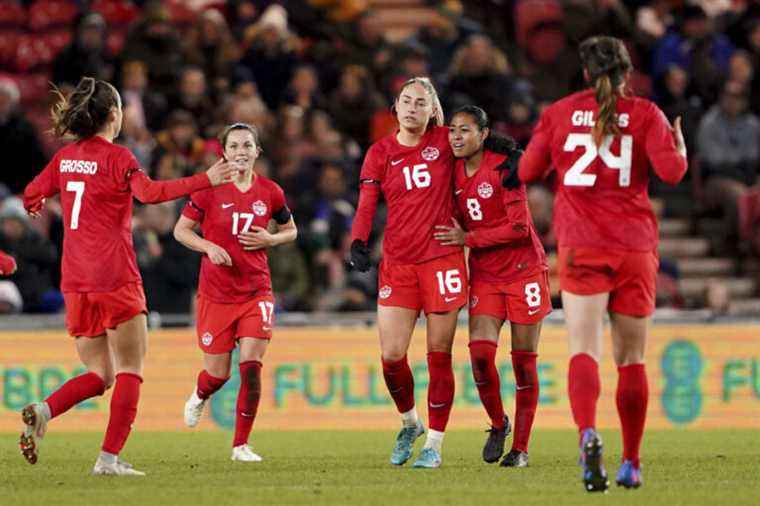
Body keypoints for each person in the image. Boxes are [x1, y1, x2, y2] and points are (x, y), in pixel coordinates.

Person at [19, 77, 233, 476]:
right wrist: (206, 179)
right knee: (130, 369)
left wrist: (36, 208)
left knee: (101, 375)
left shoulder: (65, 159)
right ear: (114, 115)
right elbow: (149, 194)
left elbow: (32, 193)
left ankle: (44, 409)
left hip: (76, 281)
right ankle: (108, 460)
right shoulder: (119, 157)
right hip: (115, 274)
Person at [509, 36, 687, 491]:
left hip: (582, 243)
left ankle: (588, 432)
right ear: (629, 73)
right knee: (631, 358)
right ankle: (631, 462)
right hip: (634, 246)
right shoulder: (647, 114)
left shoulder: (561, 112)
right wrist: (680, 149)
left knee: (583, 349)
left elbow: (527, 172)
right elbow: (671, 173)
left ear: (585, 73)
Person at [349, 77, 467, 469]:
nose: (413, 107)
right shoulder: (380, 153)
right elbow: (367, 203)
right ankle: (410, 423)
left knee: (439, 355)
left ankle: (435, 443)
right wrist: (358, 241)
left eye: (421, 102)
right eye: (406, 101)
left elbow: (482, 143)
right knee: (391, 355)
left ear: (433, 109)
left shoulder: (447, 141)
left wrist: (507, 150)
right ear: (395, 107)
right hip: (398, 264)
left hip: (442, 261)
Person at [434, 106, 550, 468]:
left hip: (524, 271)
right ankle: (499, 423)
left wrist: (468, 238)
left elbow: (518, 228)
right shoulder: (449, 170)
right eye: (452, 129)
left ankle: (521, 449)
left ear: (483, 134)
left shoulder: (506, 168)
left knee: (523, 365)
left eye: (464, 130)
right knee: (480, 356)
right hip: (485, 275)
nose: (455, 136)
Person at [175, 123, 297, 462]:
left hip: (257, 291)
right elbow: (181, 230)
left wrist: (271, 239)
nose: (241, 151)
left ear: (257, 151)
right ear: (224, 153)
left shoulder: (271, 192)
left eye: (247, 145)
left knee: (251, 366)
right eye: (234, 146)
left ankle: (240, 445)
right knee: (218, 374)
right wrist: (208, 247)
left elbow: (291, 230)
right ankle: (200, 395)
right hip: (216, 294)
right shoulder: (208, 189)